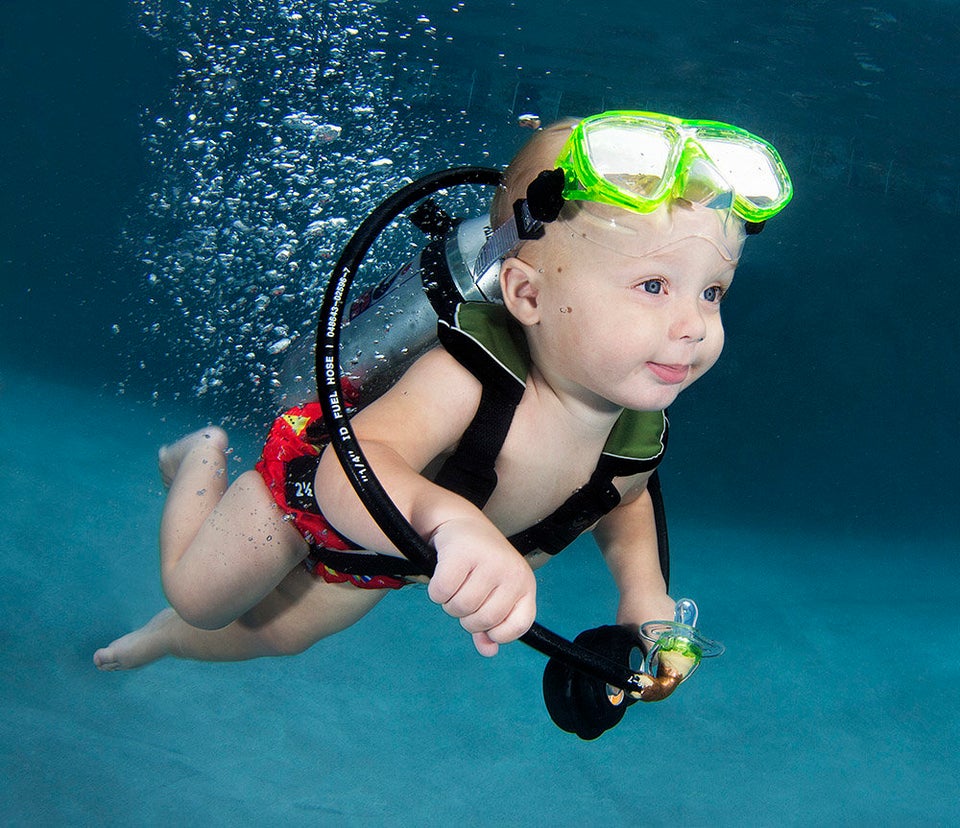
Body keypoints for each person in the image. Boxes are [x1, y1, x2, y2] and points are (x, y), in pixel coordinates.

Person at [95, 113, 791, 697]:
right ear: (526, 295)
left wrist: (643, 597)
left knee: (280, 634)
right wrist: (452, 522)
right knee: (201, 596)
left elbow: (626, 499)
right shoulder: (468, 379)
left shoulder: (636, 428)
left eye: (712, 293)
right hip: (303, 499)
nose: (694, 326)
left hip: (394, 557)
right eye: (651, 287)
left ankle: (162, 640)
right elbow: (351, 470)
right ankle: (200, 457)